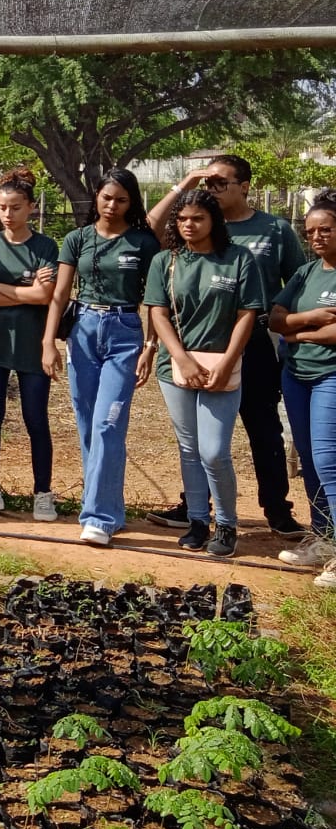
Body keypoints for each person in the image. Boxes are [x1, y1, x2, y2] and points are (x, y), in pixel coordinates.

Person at [146, 154, 305, 538]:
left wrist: (290, 330)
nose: (212, 189)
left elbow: (296, 283)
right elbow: (151, 227)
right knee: (196, 439)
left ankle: (276, 509)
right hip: (193, 348)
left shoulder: (274, 229)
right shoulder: (189, 225)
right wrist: (187, 181)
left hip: (251, 343)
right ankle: (195, 510)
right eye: (208, 183)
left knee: (263, 429)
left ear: (245, 185)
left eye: (221, 182)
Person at [144, 187, 265, 558]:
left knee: (214, 451)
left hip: (221, 369)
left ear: (214, 220)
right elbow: (158, 312)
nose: (188, 225)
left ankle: (227, 524)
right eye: (182, 220)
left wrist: (227, 362)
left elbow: (248, 313)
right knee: (189, 448)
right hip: (175, 369)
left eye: (197, 218)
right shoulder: (164, 261)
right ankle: (198, 520)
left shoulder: (239, 259)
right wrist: (180, 359)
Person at [42, 169, 160, 545]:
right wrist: (49, 342)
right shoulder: (77, 239)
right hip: (84, 330)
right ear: (96, 197)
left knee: (109, 424)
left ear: (132, 203)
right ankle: (111, 511)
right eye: (107, 197)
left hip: (125, 330)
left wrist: (150, 347)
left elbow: (156, 300)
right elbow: (60, 295)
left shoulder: (143, 242)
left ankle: (97, 516)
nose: (112, 205)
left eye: (122, 200)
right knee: (87, 424)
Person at [0, 168, 58, 520]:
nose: (8, 214)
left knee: (36, 418)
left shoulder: (46, 246)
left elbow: (45, 296)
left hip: (33, 347)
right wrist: (25, 291)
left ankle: (43, 492)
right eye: (2, 208)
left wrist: (1, 290)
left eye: (16, 207)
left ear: (31, 208)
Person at [268, 190, 336, 582]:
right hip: (297, 376)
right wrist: (309, 322)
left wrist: (299, 335)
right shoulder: (306, 273)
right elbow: (276, 318)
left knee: (329, 458)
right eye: (311, 232)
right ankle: (324, 537)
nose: (316, 238)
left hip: (330, 375)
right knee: (309, 458)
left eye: (325, 229)